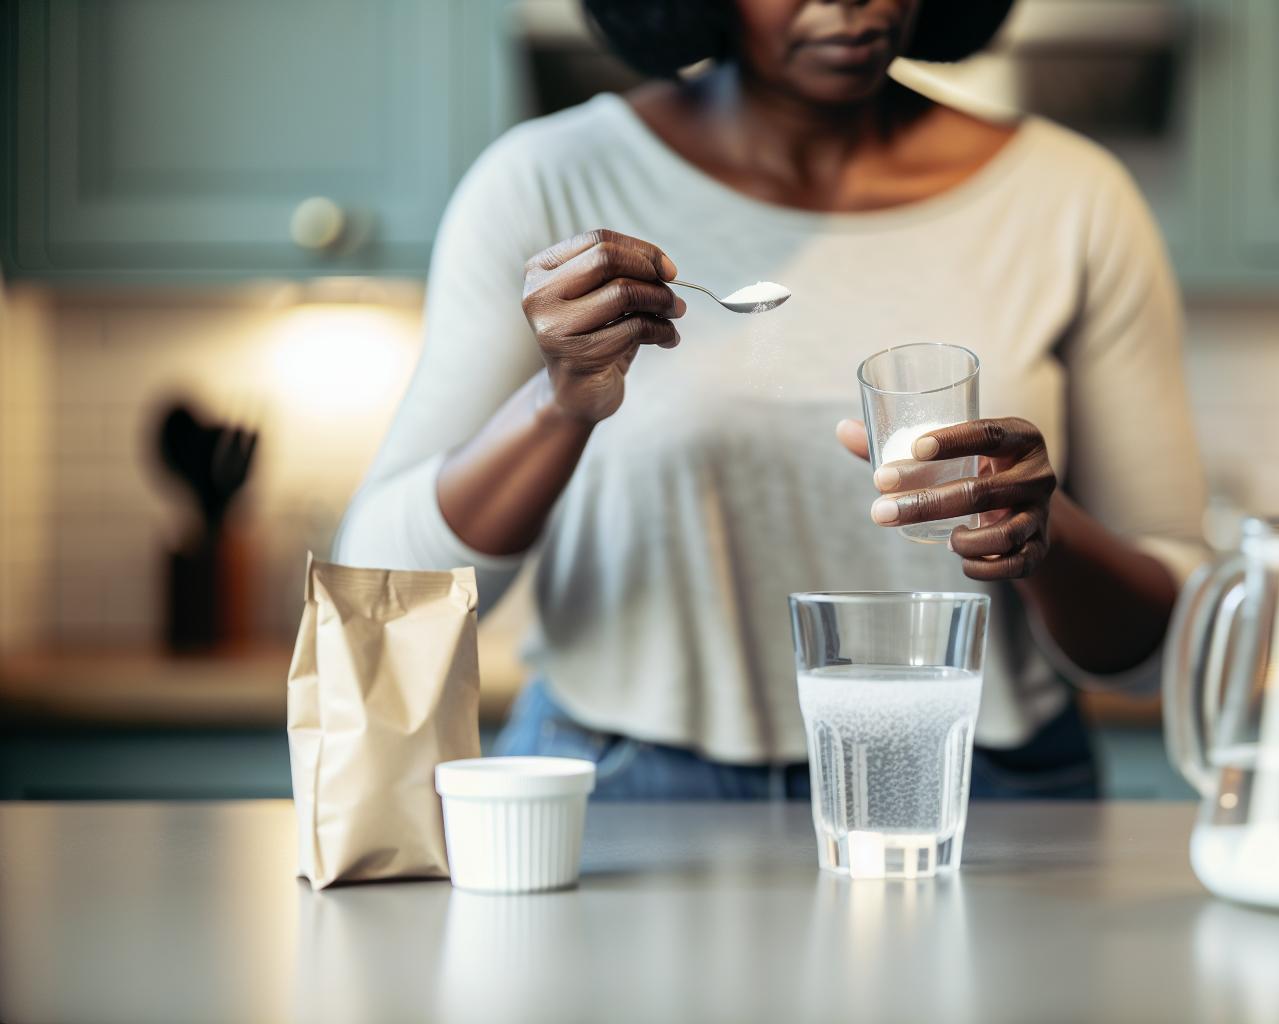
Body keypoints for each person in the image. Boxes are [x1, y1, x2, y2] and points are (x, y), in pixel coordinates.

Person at [335, 0, 1207, 800]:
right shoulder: (546, 181)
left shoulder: (1073, 200)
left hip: (978, 789)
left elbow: (1160, 653)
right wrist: (560, 404)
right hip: (628, 790)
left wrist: (1045, 535)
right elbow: (383, 587)